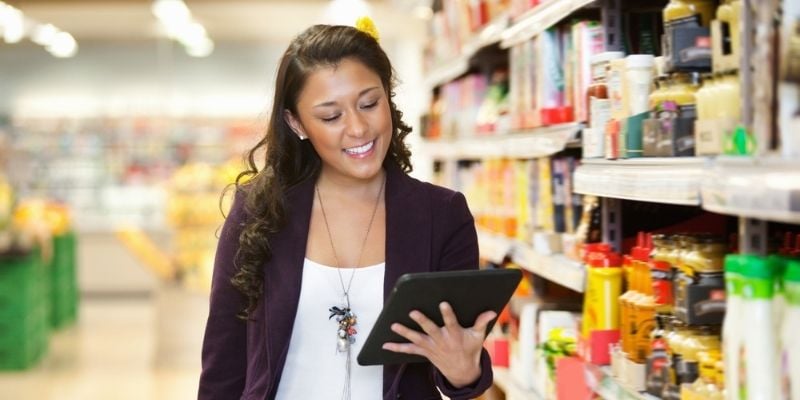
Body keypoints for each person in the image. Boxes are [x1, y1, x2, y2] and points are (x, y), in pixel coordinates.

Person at [198, 20, 495, 400]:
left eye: (369, 103)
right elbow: (224, 360)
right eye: (330, 116)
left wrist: (463, 372)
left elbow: (460, 363)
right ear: (296, 123)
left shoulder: (442, 215)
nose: (357, 128)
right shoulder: (259, 212)